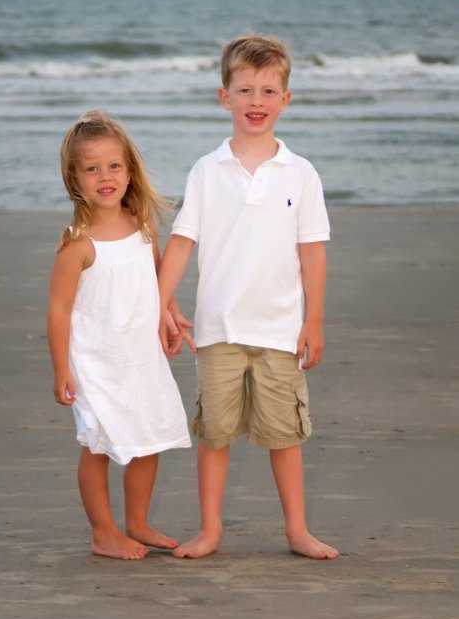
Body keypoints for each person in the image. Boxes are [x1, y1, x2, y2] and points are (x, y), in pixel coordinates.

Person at [158, 35, 339, 560]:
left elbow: (313, 253)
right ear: (224, 97)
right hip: (218, 329)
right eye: (244, 90)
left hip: (281, 331)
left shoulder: (301, 173)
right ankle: (210, 529)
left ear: (286, 99)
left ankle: (297, 530)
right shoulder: (207, 171)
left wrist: (315, 321)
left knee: (286, 436)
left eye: (267, 90)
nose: (255, 101)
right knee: (215, 435)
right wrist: (159, 306)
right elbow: (182, 244)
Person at [47, 110, 191, 560]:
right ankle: (104, 531)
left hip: (140, 356)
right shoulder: (78, 242)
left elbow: (157, 281)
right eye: (92, 169)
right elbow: (58, 309)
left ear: (130, 170)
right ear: (75, 179)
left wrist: (170, 314)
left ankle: (138, 520)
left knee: (149, 438)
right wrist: (60, 369)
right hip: (95, 363)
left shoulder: (143, 224)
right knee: (98, 444)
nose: (105, 177)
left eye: (114, 166)